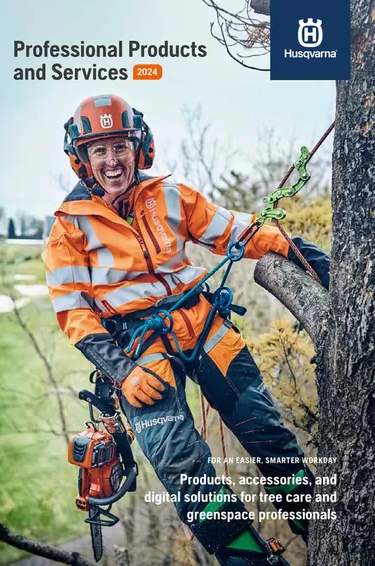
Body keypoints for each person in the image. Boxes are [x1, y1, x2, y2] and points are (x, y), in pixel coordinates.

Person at [43, 94, 330, 566]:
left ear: (140, 148)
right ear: (82, 159)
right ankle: (249, 560)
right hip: (137, 351)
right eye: (100, 150)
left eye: (120, 146)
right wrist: (122, 372)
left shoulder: (168, 194)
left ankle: (322, 527)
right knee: (184, 469)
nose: (112, 161)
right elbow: (74, 314)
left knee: (267, 433)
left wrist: (295, 248)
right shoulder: (68, 228)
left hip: (203, 328)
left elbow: (231, 230)